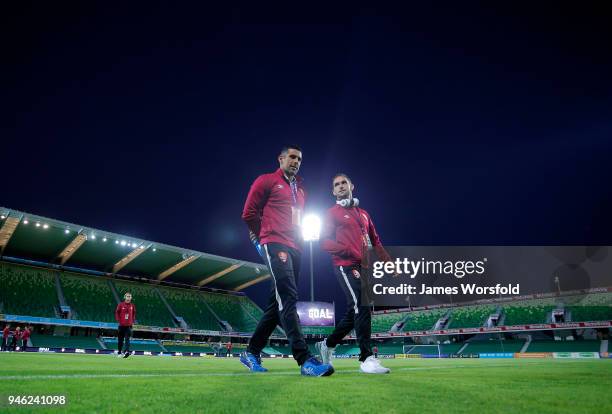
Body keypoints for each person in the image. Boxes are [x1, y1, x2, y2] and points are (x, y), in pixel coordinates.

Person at [239, 145, 334, 377]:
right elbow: (248, 213)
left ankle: (251, 352)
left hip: (295, 248)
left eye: (299, 159)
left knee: (276, 304)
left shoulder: (300, 191)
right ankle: (305, 360)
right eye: (292, 157)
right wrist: (262, 238)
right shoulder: (266, 180)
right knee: (289, 298)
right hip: (274, 243)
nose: (296, 161)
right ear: (281, 159)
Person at [316, 173, 392, 374]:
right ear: (333, 191)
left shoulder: (364, 214)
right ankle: (366, 358)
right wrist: (348, 250)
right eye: (336, 185)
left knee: (354, 311)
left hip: (365, 267)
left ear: (352, 186)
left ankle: (327, 344)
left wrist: (388, 263)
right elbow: (324, 241)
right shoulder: (332, 213)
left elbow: (375, 241)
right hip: (346, 265)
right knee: (362, 306)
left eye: (343, 183)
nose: (340, 186)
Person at [115, 292, 136, 358]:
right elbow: (117, 312)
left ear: (131, 298)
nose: (128, 297)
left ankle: (126, 351)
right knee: (120, 340)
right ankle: (119, 352)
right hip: (121, 326)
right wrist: (118, 320)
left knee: (127, 339)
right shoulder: (120, 305)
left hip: (128, 326)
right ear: (125, 297)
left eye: (130, 296)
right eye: (127, 296)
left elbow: (134, 313)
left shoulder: (132, 306)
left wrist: (132, 321)